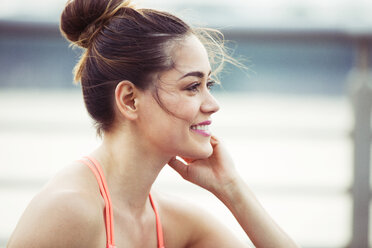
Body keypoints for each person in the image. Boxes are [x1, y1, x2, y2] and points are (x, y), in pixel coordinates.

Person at [7, 0, 299, 247]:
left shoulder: (172, 221)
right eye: (192, 86)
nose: (212, 104)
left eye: (209, 83)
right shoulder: (68, 210)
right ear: (130, 100)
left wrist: (232, 189)